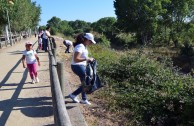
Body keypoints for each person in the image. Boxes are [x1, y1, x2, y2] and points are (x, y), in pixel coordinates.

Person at [68, 33, 96, 105]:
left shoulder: (84, 46)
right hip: (78, 66)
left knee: (84, 82)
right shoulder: (80, 46)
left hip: (80, 66)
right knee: (87, 83)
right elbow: (76, 59)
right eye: (90, 41)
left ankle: (84, 99)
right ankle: (73, 94)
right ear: (86, 39)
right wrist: (87, 59)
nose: (91, 43)